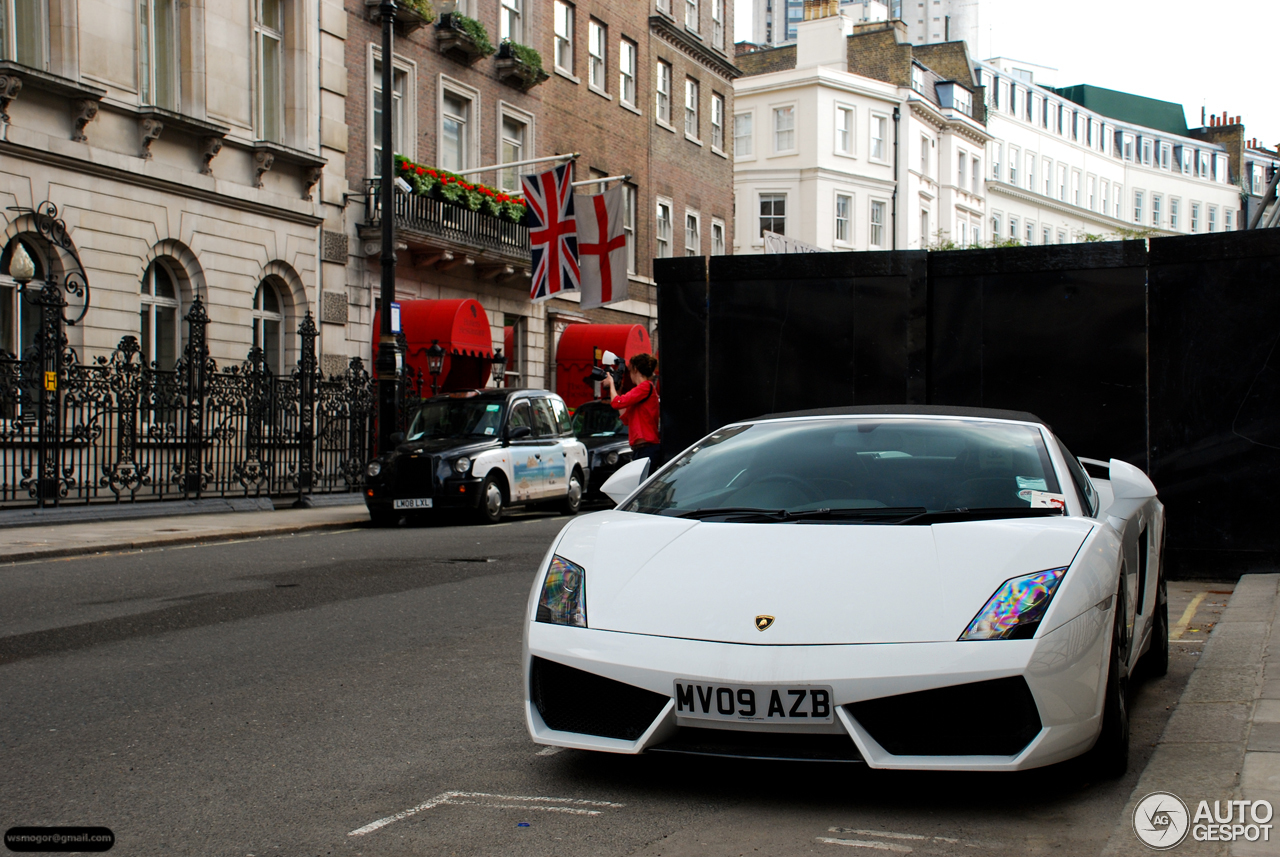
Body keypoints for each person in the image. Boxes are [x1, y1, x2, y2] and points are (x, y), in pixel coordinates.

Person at [603, 353, 660, 468]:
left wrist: (612, 385)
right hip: (641, 449)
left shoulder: (645, 387)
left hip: (646, 448)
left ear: (635, 369)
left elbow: (616, 403)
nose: (629, 375)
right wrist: (616, 391)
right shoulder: (643, 390)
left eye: (629, 371)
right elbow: (625, 417)